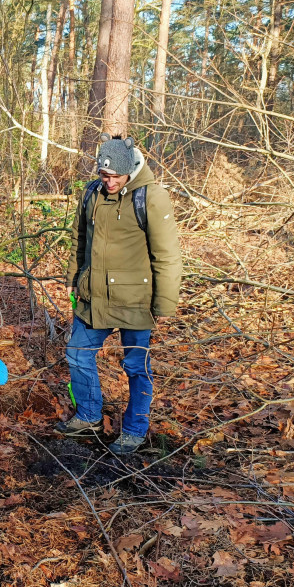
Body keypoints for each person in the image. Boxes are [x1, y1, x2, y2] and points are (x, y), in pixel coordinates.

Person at [60, 135, 182, 454]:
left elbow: (167, 254)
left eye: (116, 176)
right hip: (94, 296)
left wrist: (165, 302)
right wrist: (74, 277)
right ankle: (89, 416)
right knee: (77, 352)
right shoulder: (90, 194)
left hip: (135, 301)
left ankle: (134, 430)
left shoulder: (151, 197)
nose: (110, 181)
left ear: (129, 170)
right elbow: (79, 239)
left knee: (136, 367)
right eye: (104, 175)